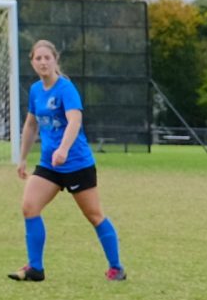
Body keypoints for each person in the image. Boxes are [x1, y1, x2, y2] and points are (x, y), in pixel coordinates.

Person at [8, 39, 124, 282]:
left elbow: (75, 121)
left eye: (46, 58)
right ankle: (35, 268)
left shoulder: (66, 89)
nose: (42, 62)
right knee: (29, 207)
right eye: (37, 58)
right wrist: (22, 159)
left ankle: (116, 268)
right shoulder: (36, 90)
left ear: (55, 60)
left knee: (94, 215)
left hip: (76, 163)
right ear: (32, 62)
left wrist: (63, 149)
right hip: (49, 165)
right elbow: (31, 125)